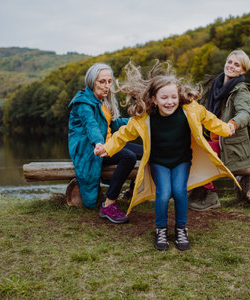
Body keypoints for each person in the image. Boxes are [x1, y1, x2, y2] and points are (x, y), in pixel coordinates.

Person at [94, 61, 241, 251]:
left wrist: (227, 128)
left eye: (173, 97)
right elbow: (123, 134)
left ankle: (181, 229)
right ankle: (161, 230)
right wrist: (106, 149)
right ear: (154, 99)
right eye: (164, 98)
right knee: (163, 194)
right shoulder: (144, 117)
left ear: (179, 96)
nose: (169, 102)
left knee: (179, 192)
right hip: (158, 162)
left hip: (182, 161)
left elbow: (210, 119)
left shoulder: (191, 110)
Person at [68, 63, 142, 224]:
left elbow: (115, 124)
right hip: (90, 149)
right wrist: (99, 144)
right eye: (102, 81)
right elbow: (91, 126)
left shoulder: (103, 101)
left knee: (145, 152)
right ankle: (109, 204)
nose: (107, 85)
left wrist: (139, 120)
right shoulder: (83, 102)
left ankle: (131, 192)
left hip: (107, 144)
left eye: (109, 81)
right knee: (128, 157)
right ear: (92, 82)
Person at [188, 49, 250, 211]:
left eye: (237, 64)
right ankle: (198, 192)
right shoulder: (215, 84)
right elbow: (199, 106)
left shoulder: (241, 89)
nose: (231, 66)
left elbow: (245, 113)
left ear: (243, 70)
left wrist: (232, 124)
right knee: (187, 146)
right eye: (229, 62)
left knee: (201, 153)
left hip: (229, 143)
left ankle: (210, 197)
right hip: (209, 135)